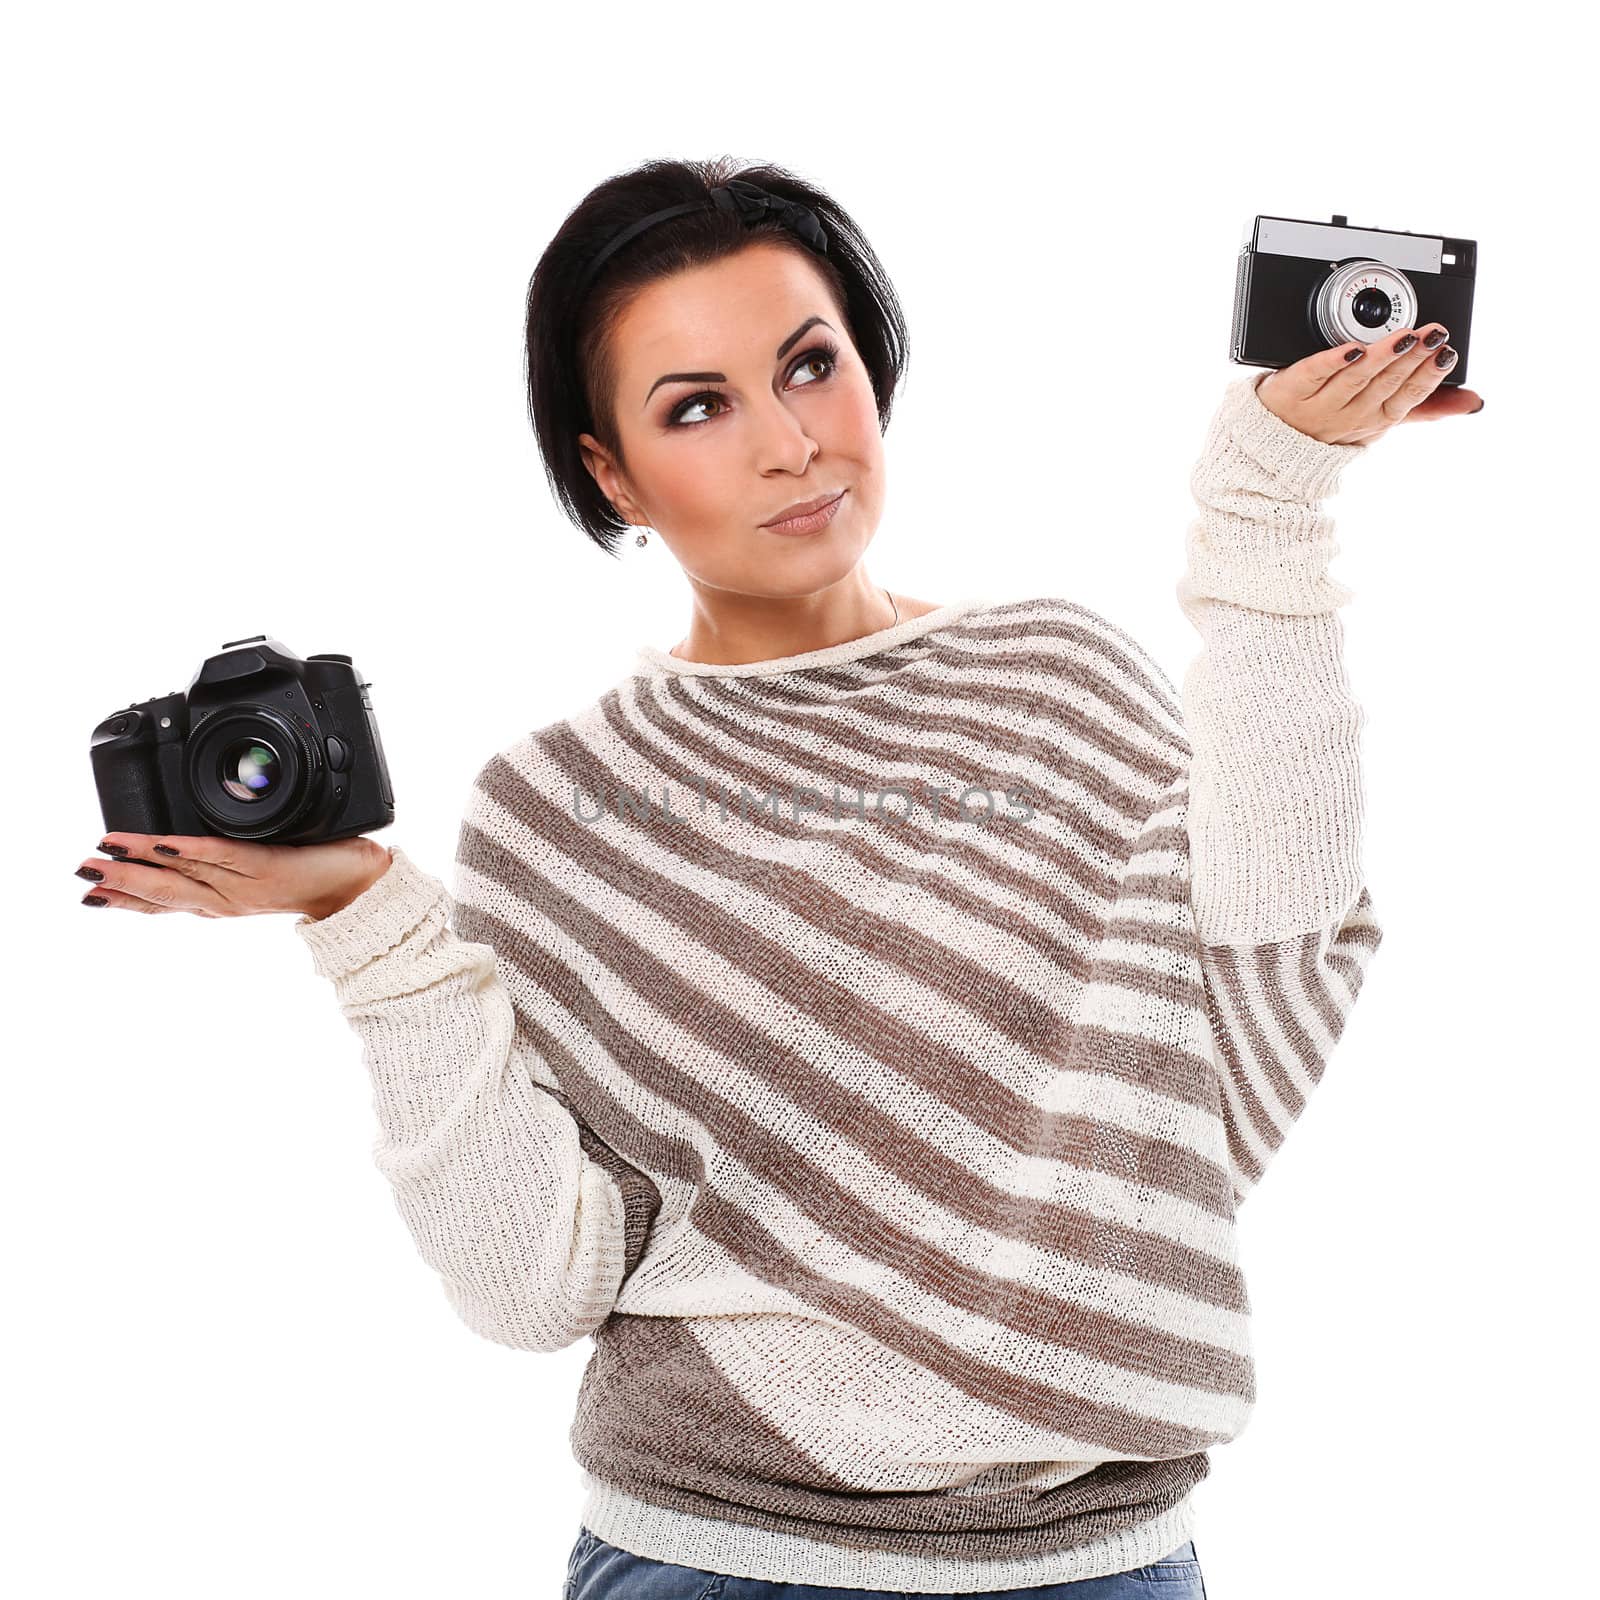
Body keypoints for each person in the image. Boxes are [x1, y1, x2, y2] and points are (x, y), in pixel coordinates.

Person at [76, 158, 1483, 1599]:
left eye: (809, 367)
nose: (788, 442)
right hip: (714, 1562)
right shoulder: (562, 808)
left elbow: (1274, 975)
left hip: (1102, 1562)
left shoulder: (1058, 679)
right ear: (609, 469)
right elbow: (531, 1287)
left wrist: (1265, 503)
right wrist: (365, 920)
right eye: (698, 405)